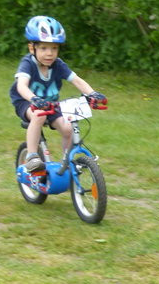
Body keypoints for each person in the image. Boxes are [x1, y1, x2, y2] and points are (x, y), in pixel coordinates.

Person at [9, 16, 105, 172]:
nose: (50, 53)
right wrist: (34, 99)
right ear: (32, 48)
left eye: (54, 48)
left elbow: (77, 81)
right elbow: (22, 86)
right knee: (39, 114)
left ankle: (66, 162)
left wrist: (92, 94)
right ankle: (32, 156)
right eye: (44, 48)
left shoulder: (58, 65)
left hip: (51, 104)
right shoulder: (27, 64)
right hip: (27, 102)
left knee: (68, 128)